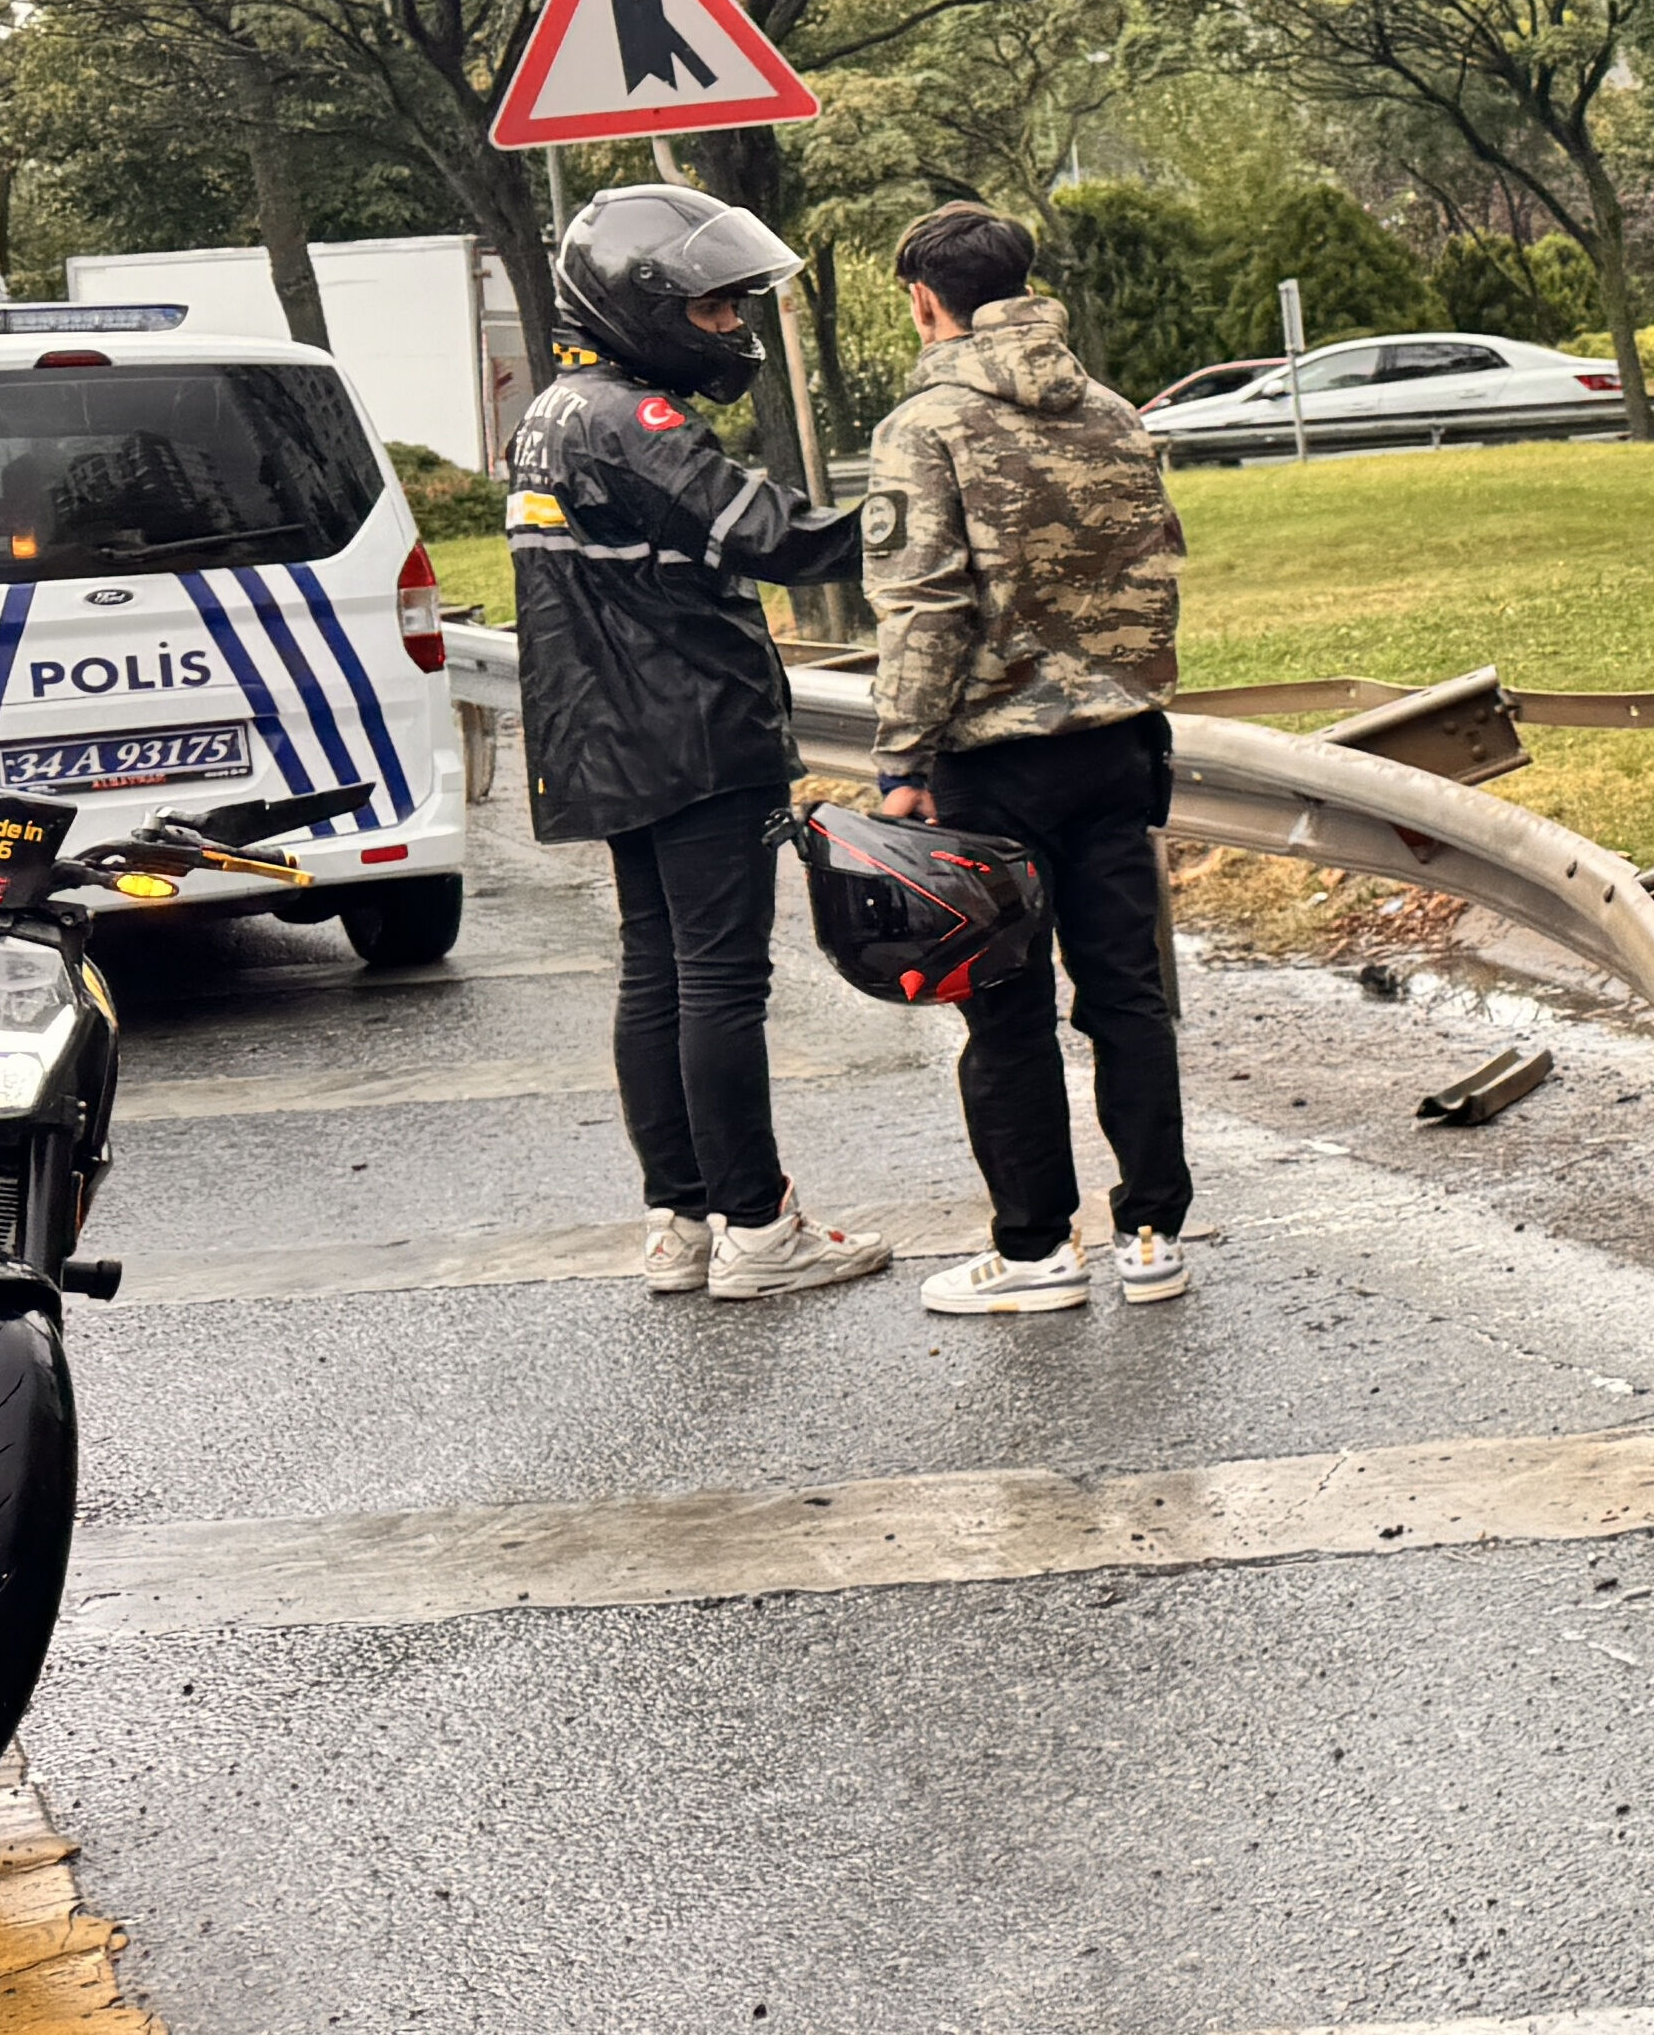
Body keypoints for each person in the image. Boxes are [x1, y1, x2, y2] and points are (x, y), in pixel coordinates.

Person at [507, 184, 892, 1303]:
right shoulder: (636, 421)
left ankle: (679, 1219)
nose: (732, 331)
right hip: (692, 734)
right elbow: (775, 537)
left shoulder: (550, 414)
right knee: (720, 980)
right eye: (715, 312)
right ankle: (760, 1227)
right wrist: (928, 513)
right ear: (646, 305)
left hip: (602, 736)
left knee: (655, 974)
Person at [862, 203, 1196, 1318]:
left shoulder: (929, 422)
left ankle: (1037, 1249)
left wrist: (902, 759)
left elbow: (922, 605)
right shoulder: (1109, 409)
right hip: (1119, 745)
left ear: (924, 300)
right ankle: (1152, 1234)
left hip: (993, 762)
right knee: (1127, 994)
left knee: (1004, 1013)